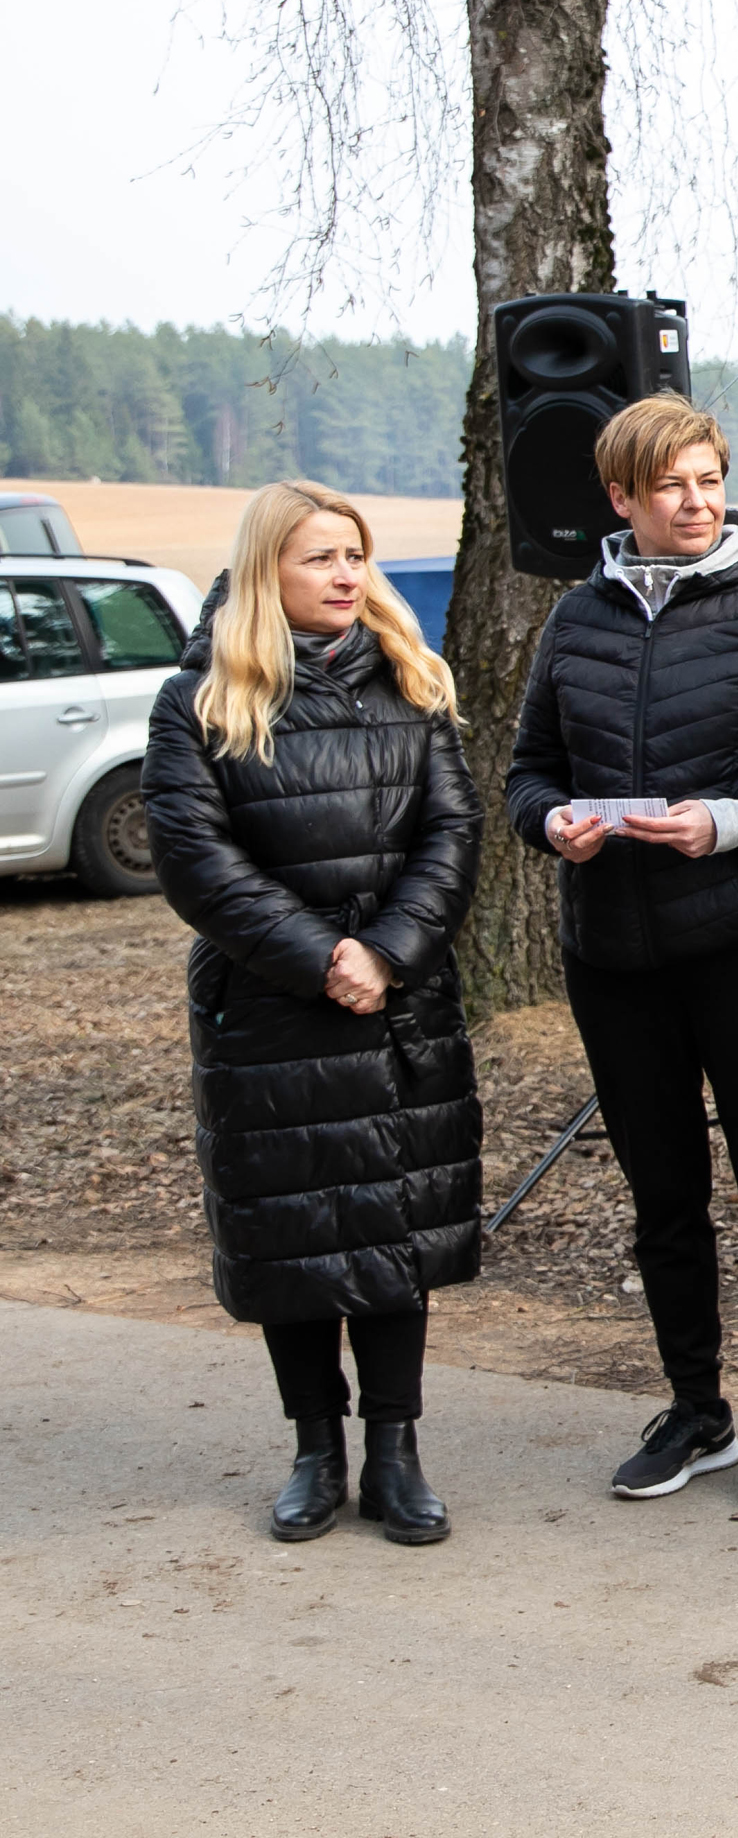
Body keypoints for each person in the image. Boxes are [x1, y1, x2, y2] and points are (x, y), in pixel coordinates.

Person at [506, 393, 738, 1512]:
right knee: (663, 1195)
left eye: (710, 478)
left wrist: (728, 820)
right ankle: (696, 1406)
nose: (698, 500)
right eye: (673, 484)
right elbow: (527, 770)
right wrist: (549, 821)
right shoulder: (575, 621)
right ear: (622, 498)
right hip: (613, 953)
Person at [144, 481, 483, 1545]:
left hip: (397, 1004)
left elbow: (452, 832)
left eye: (355, 555)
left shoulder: (410, 680)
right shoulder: (200, 699)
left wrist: (384, 952)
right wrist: (319, 955)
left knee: (391, 1231)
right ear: (265, 574)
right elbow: (195, 860)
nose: (346, 575)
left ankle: (395, 1451)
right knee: (293, 1235)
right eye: (320, 559)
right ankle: (313, 1448)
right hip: (272, 1013)